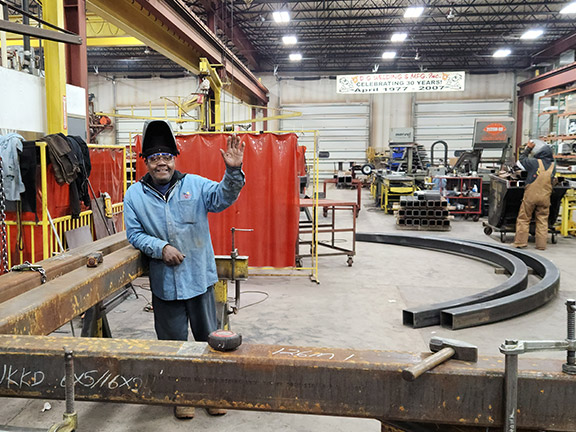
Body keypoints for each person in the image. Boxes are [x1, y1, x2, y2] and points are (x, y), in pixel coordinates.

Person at [123, 120, 245, 419]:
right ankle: (182, 396)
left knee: (210, 340)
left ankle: (212, 393)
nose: (161, 163)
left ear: (174, 158)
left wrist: (232, 171)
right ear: (146, 162)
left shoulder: (195, 185)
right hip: (166, 286)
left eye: (166, 156)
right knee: (172, 345)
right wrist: (159, 248)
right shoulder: (134, 196)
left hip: (199, 279)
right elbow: (135, 234)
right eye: (154, 158)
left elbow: (222, 198)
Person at [513, 138, 555, 250]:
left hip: (531, 196)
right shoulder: (552, 166)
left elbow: (521, 160)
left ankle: (520, 243)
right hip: (545, 197)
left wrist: (528, 149)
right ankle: (541, 245)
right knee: (542, 220)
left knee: (524, 218)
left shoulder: (534, 163)